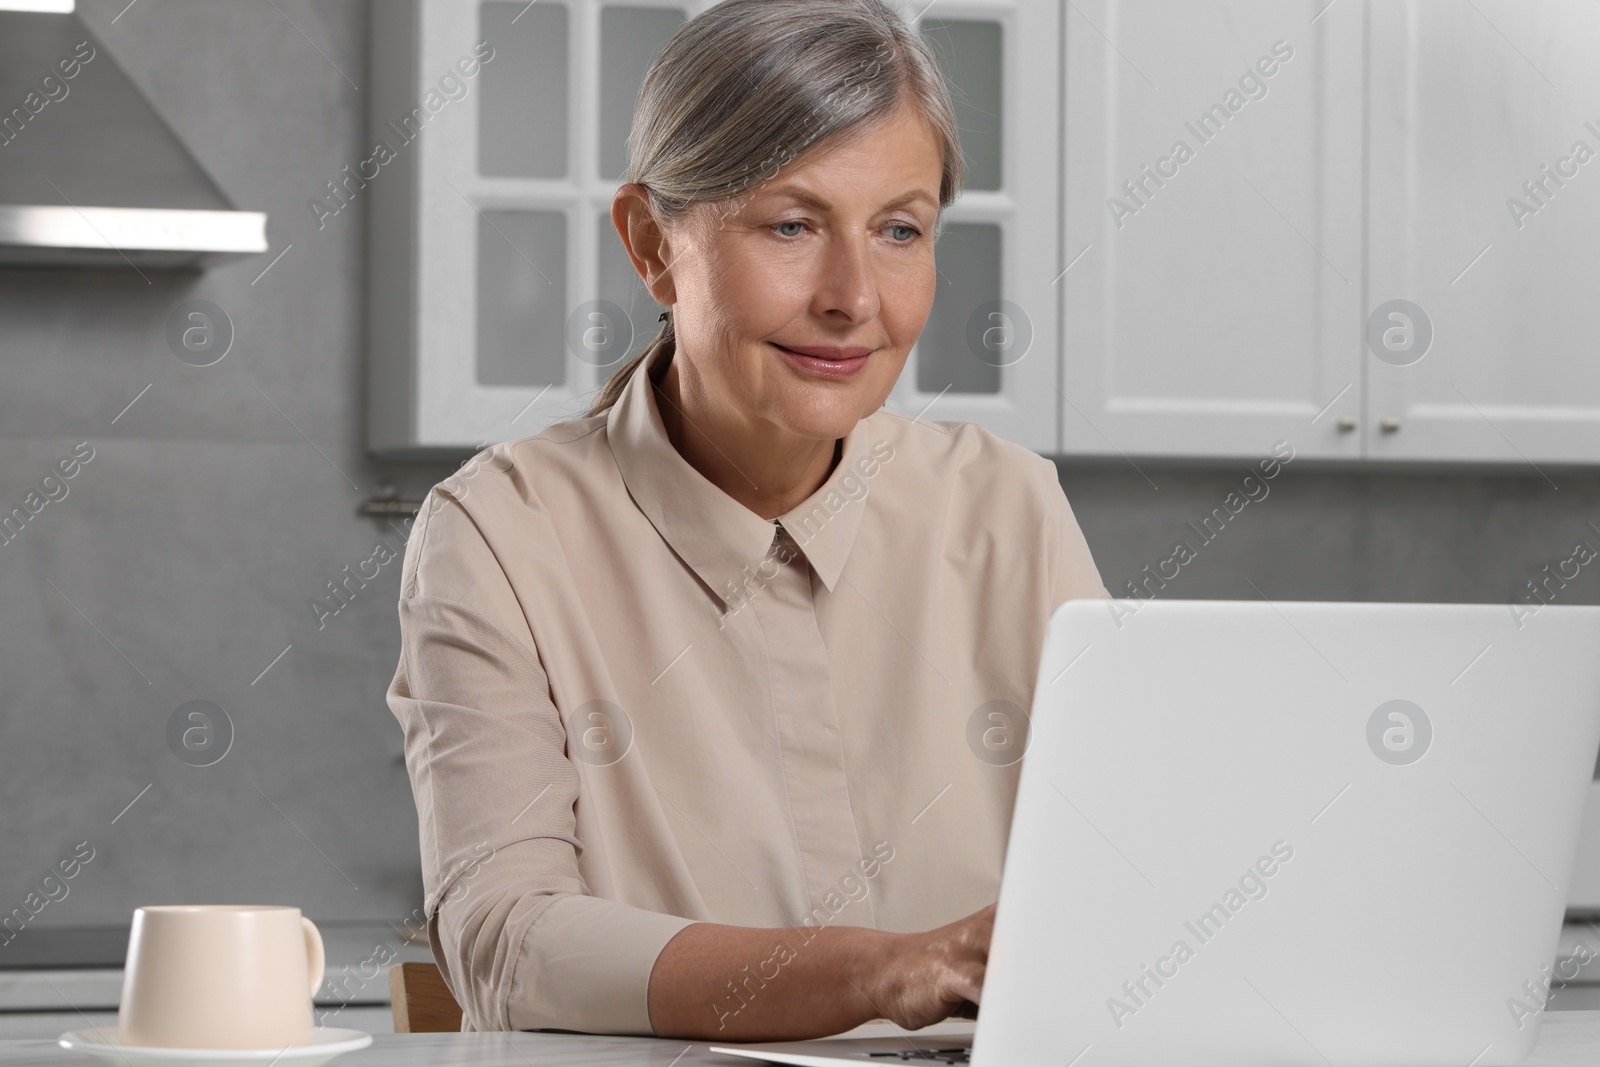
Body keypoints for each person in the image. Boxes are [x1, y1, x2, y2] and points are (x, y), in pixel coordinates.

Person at [385, 0, 1109, 1042]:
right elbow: (507, 937)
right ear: (651, 244)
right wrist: (880, 969)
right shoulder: (502, 532)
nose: (854, 296)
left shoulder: (1008, 506)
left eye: (898, 229)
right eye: (791, 224)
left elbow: (1128, 877)